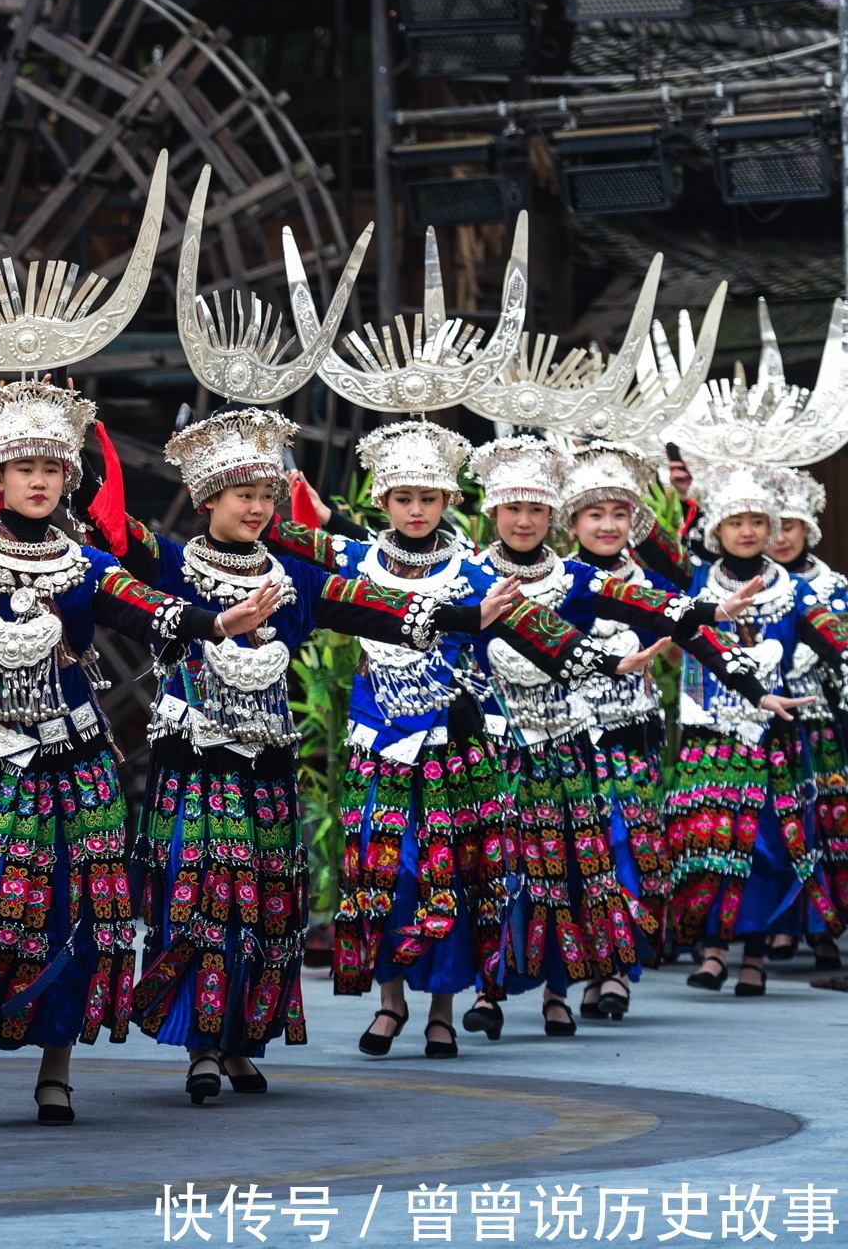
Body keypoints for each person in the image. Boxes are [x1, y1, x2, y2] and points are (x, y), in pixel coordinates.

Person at [0, 379, 290, 1123]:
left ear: (68, 477)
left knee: (81, 912)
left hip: (76, 761)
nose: (38, 480)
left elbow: (152, 607)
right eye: (24, 467)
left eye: (52, 468)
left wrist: (217, 621)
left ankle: (55, 1069)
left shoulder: (88, 565)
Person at [107, 412, 600, 1090]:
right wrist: (79, 450)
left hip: (270, 768)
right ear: (206, 500)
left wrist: (462, 617)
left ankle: (244, 1037)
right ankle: (201, 1044)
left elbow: (381, 609)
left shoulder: (298, 580)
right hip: (195, 765)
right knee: (203, 897)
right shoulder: (171, 563)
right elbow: (111, 531)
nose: (256, 507)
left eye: (265, 494)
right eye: (240, 493)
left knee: (267, 903)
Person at [267, 422, 577, 1060]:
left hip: (451, 753)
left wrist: (613, 661)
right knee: (381, 870)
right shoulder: (351, 559)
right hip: (376, 748)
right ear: (382, 502)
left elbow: (548, 637)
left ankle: (441, 1010)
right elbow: (265, 528)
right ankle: (391, 1002)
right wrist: (277, 469)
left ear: (448, 504)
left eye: (429, 499)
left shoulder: (474, 575)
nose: (416, 510)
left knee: (451, 872)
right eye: (403, 498)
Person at [466, 437, 790, 1035]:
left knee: (612, 859)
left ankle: (605, 972)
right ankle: (496, 984)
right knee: (510, 865)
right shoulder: (496, 573)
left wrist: (747, 679)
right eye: (595, 513)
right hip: (514, 744)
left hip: (616, 740)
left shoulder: (606, 581)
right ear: (570, 519)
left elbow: (680, 616)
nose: (608, 525)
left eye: (621, 513)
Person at [667, 461, 848, 997]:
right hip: (710, 736)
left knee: (769, 846)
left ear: (772, 529)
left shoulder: (795, 590)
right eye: (735, 521)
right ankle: (714, 948)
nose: (747, 531)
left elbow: (832, 635)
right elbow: (648, 548)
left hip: (775, 735)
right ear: (716, 529)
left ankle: (753, 957)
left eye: (758, 522)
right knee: (705, 837)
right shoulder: (694, 579)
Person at [764, 467, 846, 972]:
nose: (780, 536)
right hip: (765, 724)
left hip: (818, 722)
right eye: (771, 526)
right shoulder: (745, 585)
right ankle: (779, 926)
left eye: (789, 525)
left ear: (807, 529)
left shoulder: (834, 586)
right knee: (777, 823)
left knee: (825, 823)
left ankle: (822, 926)